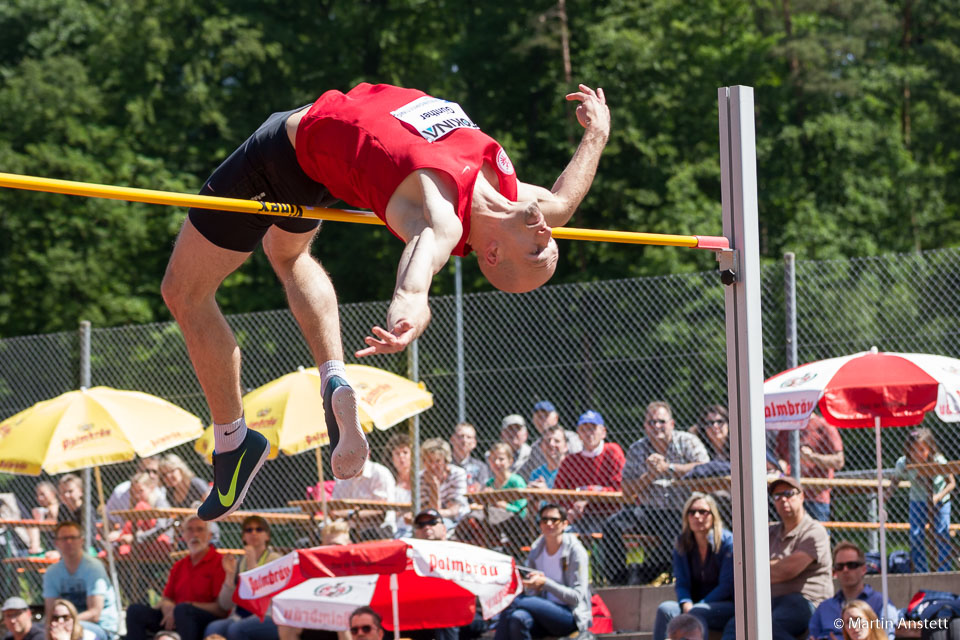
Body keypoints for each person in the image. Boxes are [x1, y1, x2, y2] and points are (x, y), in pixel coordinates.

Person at [160, 81, 610, 521]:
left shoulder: (444, 222)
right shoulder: (508, 193)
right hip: (322, 160)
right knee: (288, 254)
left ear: (492, 254)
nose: (545, 234)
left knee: (184, 293)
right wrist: (597, 133)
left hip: (285, 150)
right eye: (550, 241)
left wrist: (410, 309)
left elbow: (418, 271)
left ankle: (233, 442)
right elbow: (564, 201)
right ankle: (332, 378)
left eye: (536, 250)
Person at [600, 401, 709, 584]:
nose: (656, 426)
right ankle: (618, 579)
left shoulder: (687, 441)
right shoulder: (637, 449)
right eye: (651, 422)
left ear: (672, 424)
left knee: (673, 534)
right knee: (612, 525)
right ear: (645, 426)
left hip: (681, 510)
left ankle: (642, 575)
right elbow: (626, 490)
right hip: (648, 511)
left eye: (661, 421)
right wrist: (650, 475)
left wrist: (670, 468)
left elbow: (704, 467)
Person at [721, 476, 832, 640]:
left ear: (801, 496)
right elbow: (742, 567)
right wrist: (767, 566)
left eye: (788, 493)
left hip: (808, 602)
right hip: (769, 601)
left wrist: (758, 567)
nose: (783, 500)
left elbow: (786, 571)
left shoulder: (814, 531)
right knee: (735, 626)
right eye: (778, 496)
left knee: (766, 627)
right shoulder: (769, 532)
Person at [494, 504, 592, 640]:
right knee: (518, 618)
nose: (549, 524)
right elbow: (534, 596)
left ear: (564, 524)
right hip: (542, 614)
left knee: (515, 602)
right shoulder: (536, 550)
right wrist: (532, 586)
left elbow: (576, 597)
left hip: (569, 616)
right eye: (544, 520)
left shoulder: (575, 551)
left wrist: (545, 583)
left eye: (554, 520)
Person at [125, 515, 227, 640]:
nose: (194, 534)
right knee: (135, 611)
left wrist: (186, 606)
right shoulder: (179, 565)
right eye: (189, 529)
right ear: (183, 535)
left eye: (200, 529)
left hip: (201, 619)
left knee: (183, 610)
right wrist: (168, 606)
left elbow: (221, 609)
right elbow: (167, 597)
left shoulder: (219, 563)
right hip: (174, 617)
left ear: (209, 535)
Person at [652, 493, 734, 640]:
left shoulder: (727, 542)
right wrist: (686, 602)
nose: (697, 516)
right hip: (693, 605)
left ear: (713, 516)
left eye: (703, 511)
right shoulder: (682, 543)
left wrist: (697, 606)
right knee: (665, 609)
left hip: (724, 606)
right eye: (692, 512)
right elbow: (681, 582)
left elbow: (726, 586)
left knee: (698, 612)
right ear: (686, 517)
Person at [885, 427, 955, 572]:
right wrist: (885, 498)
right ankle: (921, 572)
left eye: (922, 450)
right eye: (914, 450)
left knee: (941, 534)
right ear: (908, 450)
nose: (918, 454)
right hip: (917, 502)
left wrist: (938, 496)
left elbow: (951, 483)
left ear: (930, 448)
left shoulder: (938, 461)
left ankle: (944, 572)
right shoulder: (903, 463)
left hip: (941, 502)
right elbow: (895, 481)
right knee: (916, 536)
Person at [204, 516, 283, 640]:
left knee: (236, 629)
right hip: (240, 616)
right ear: (243, 537)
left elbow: (262, 597)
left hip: (267, 616)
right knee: (214, 628)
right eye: (248, 530)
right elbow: (225, 605)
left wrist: (252, 565)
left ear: (267, 536)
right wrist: (229, 576)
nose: (253, 533)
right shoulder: (240, 562)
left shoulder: (275, 560)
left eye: (259, 529)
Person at [42, 522, 119, 640]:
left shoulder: (93, 568)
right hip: (67, 624)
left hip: (101, 627)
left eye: (73, 538)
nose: (69, 542)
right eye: (64, 538)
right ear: (56, 543)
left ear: (81, 541)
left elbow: (95, 614)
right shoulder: (52, 573)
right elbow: (51, 611)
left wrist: (67, 622)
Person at [808, 541, 900, 640]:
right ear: (834, 572)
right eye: (840, 567)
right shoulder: (824, 607)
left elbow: (887, 636)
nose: (845, 570)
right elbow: (811, 637)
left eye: (851, 565)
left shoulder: (881, 603)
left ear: (864, 569)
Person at [553, 410, 624, 533]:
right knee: (558, 532)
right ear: (578, 434)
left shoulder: (612, 451)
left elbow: (619, 489)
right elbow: (559, 492)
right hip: (577, 519)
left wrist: (588, 496)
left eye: (593, 429)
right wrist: (569, 510)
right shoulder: (570, 461)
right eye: (584, 429)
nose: (588, 434)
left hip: (608, 516)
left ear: (603, 432)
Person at [776, 413, 844, 522]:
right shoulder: (786, 428)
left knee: (817, 536)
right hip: (789, 497)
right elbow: (779, 457)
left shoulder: (823, 425)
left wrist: (812, 457)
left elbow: (839, 461)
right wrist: (780, 465)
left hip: (816, 497)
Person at [330, 458, 397, 541]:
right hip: (349, 530)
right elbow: (333, 511)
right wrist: (358, 513)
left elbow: (380, 513)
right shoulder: (342, 476)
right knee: (330, 535)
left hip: (379, 530)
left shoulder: (380, 473)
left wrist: (349, 514)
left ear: (367, 454)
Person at [519, 401, 582, 479]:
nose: (542, 420)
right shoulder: (535, 447)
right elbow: (525, 473)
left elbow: (579, 464)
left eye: (545, 415)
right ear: (533, 421)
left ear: (556, 418)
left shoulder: (571, 438)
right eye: (538, 416)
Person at [420, 439, 470, 527]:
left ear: (445, 461)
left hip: (458, 521)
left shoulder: (457, 474)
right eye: (429, 461)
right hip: (430, 522)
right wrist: (434, 486)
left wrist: (434, 512)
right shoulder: (420, 477)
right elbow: (428, 510)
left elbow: (454, 510)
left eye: (438, 461)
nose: (433, 466)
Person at [104, 456, 165, 525]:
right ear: (138, 471)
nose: (151, 475)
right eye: (147, 471)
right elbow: (109, 518)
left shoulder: (163, 491)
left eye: (155, 472)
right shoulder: (121, 491)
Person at [385, 433, 414, 536]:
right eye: (397, 453)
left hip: (414, 527)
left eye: (405, 452)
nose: (401, 457)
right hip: (392, 529)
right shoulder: (388, 480)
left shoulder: (420, 479)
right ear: (392, 457)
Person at [450, 423, 491, 492]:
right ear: (452, 439)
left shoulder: (481, 467)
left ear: (474, 443)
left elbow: (483, 491)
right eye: (460, 436)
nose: (464, 440)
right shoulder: (444, 465)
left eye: (469, 437)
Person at [528, 425, 568, 490]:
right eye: (548, 441)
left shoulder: (572, 471)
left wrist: (546, 492)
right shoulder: (536, 473)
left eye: (557, 441)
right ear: (541, 446)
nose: (551, 444)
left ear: (565, 447)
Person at [27, 481, 60, 554]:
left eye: (43, 494)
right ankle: (35, 547)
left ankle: (35, 547)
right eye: (37, 495)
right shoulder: (43, 511)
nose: (39, 498)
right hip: (48, 547)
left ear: (53, 493)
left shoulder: (59, 508)